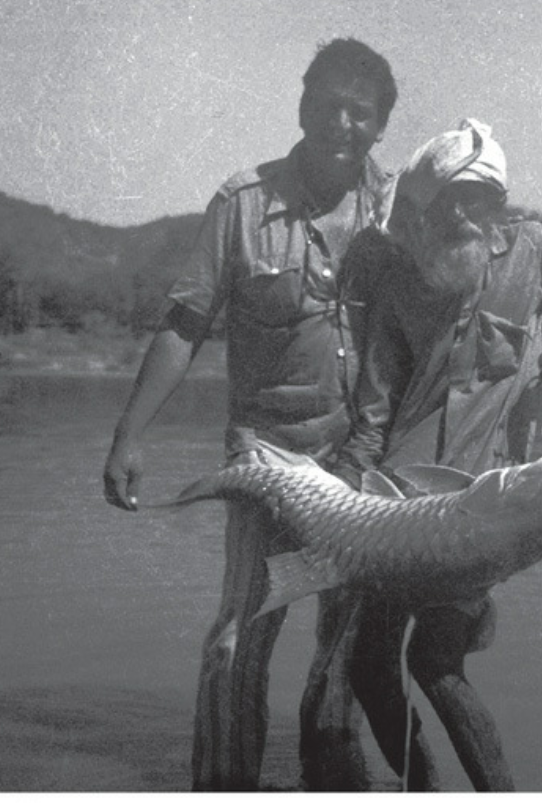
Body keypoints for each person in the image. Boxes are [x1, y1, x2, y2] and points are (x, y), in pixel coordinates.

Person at [102, 38, 397, 791]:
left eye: (360, 112)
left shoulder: (399, 209)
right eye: (327, 105)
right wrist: (129, 435)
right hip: (268, 459)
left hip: (364, 460)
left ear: (381, 126)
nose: (341, 123)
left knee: (345, 646)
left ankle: (327, 778)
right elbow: (184, 323)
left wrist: (540, 243)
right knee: (239, 644)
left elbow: (469, 270)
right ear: (301, 109)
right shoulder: (241, 205)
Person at [332, 119, 542, 790]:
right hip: (398, 502)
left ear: (497, 202)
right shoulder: (401, 280)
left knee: (435, 664)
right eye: (448, 200)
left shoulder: (532, 250)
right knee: (371, 668)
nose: (463, 213)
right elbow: (376, 408)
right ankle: (425, 789)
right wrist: (343, 492)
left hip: (491, 502)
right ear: (425, 209)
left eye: (478, 198)